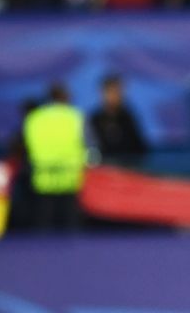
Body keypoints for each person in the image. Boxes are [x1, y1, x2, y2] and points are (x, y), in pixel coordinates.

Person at [24, 83, 87, 231]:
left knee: (43, 229)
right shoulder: (75, 117)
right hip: (70, 180)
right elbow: (91, 146)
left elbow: (27, 146)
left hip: (43, 179)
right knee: (72, 231)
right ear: (65, 96)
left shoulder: (34, 118)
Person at [89, 74, 147, 166]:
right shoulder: (95, 119)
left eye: (118, 92)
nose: (115, 96)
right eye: (111, 91)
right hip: (103, 171)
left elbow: (140, 148)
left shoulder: (128, 118)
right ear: (102, 93)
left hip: (127, 170)